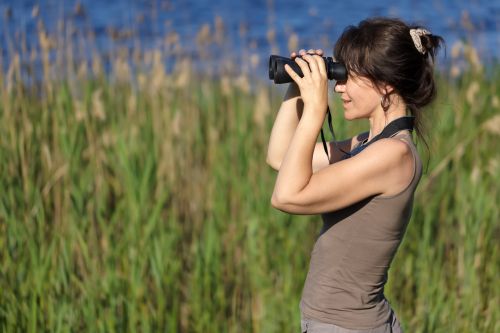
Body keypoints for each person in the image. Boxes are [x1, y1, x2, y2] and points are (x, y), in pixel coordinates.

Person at [266, 18, 444, 333]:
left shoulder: (394, 154)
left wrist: (315, 110)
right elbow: (280, 157)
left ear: (385, 83)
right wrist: (296, 87)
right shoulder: (366, 144)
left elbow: (287, 196)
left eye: (349, 77)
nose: (339, 87)